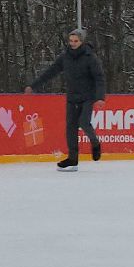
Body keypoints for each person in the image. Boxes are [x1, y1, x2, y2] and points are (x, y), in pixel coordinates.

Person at [25, 28, 106, 172]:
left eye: (76, 41)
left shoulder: (90, 57)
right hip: (72, 98)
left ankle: (95, 143)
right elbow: (50, 72)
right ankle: (72, 159)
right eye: (71, 41)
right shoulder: (65, 57)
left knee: (84, 122)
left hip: (88, 97)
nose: (73, 43)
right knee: (70, 129)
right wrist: (33, 86)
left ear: (82, 42)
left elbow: (99, 78)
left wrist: (100, 98)